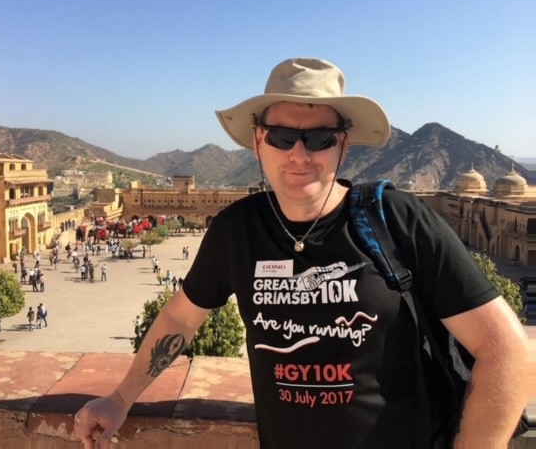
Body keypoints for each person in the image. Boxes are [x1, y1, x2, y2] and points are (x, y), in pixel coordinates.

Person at [74, 58, 528, 448]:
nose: (299, 154)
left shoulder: (398, 219)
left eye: (319, 138)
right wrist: (120, 398)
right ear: (258, 140)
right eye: (281, 136)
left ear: (342, 146)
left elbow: (504, 348)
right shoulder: (239, 230)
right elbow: (180, 318)